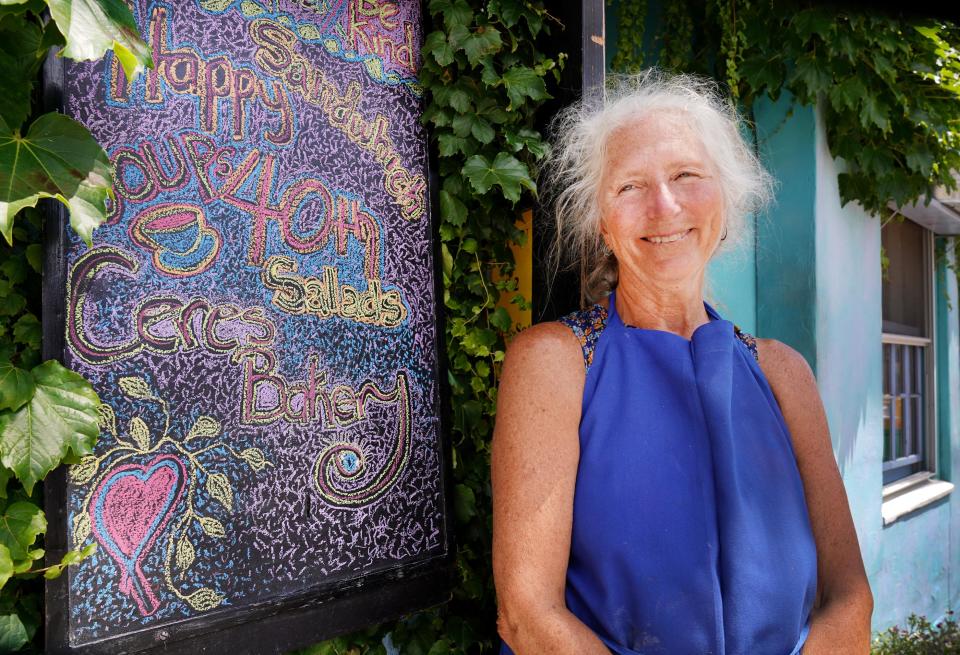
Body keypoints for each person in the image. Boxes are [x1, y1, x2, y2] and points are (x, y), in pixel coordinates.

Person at [491, 70, 874, 655]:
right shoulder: (555, 363)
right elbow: (527, 614)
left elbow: (849, 599)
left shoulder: (783, 373)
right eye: (629, 187)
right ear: (601, 221)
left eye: (686, 176)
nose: (664, 206)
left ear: (725, 195)